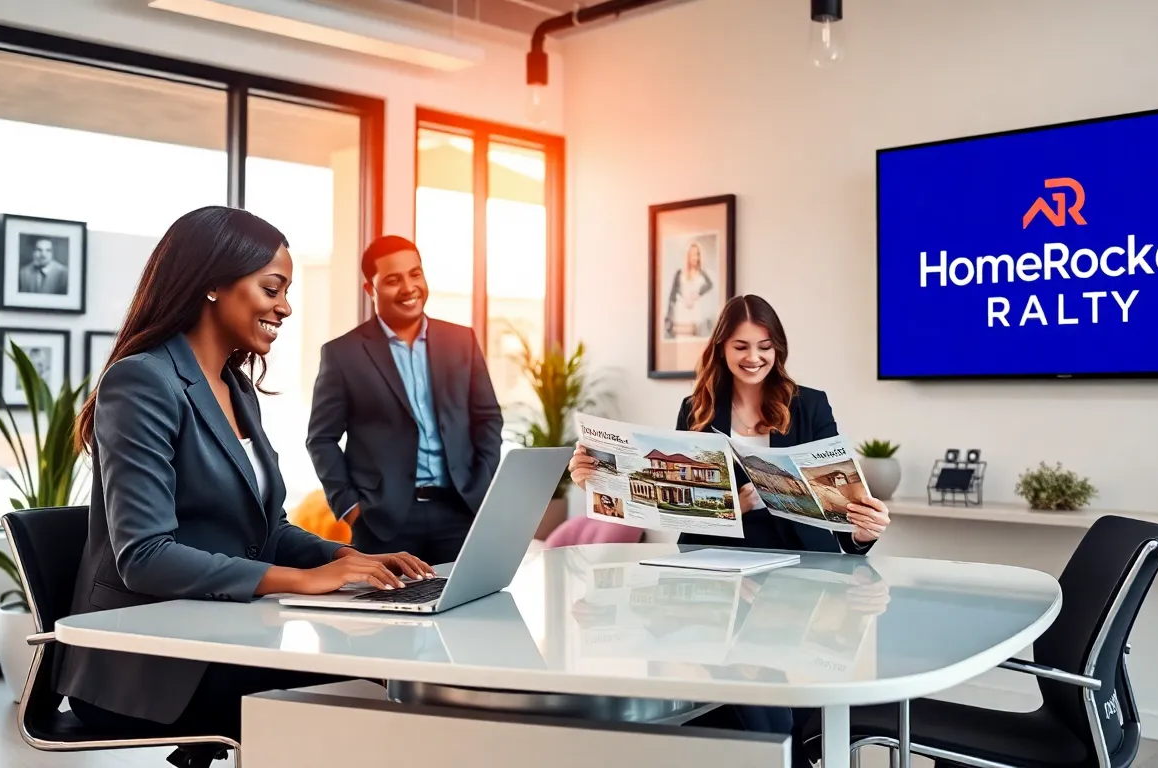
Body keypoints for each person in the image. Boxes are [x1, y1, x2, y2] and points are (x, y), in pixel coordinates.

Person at [62, 207, 436, 767]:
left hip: (225, 635)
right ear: (213, 283)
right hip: (150, 667)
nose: (285, 306)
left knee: (391, 667)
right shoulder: (142, 380)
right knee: (365, 687)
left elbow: (268, 530)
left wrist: (351, 558)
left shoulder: (237, 388)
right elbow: (144, 556)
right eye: (272, 288)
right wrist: (308, 580)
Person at [568, 293, 890, 753]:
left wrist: (861, 534)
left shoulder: (810, 407)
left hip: (799, 581)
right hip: (716, 582)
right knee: (761, 714)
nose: (754, 357)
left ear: (778, 349)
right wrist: (598, 481)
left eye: (764, 346)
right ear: (721, 348)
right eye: (741, 346)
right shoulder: (696, 408)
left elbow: (834, 502)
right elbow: (668, 496)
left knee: (779, 713)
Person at [306, 234, 503, 565]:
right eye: (393, 280)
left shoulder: (461, 341)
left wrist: (480, 482)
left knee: (467, 610)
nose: (409, 288)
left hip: (460, 511)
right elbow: (321, 438)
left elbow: (488, 418)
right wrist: (351, 508)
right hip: (382, 521)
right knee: (386, 615)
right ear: (370, 289)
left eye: (415, 274)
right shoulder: (343, 354)